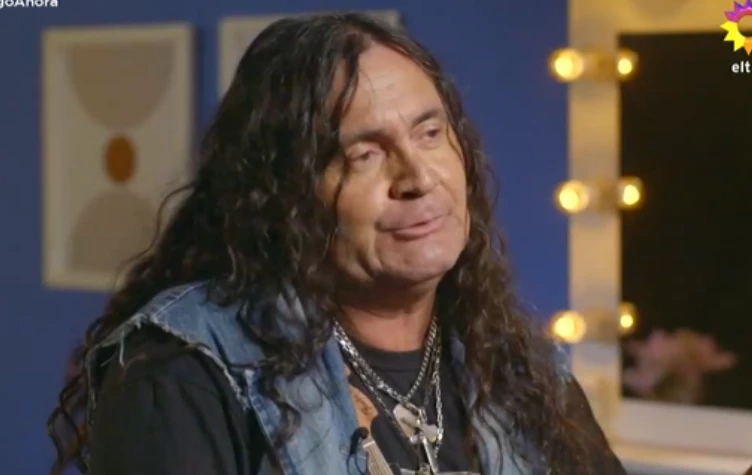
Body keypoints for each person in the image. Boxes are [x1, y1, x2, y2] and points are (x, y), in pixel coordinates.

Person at [48, 13, 625, 475]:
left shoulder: (518, 368)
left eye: (429, 133)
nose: (418, 177)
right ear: (283, 192)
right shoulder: (181, 373)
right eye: (364, 154)